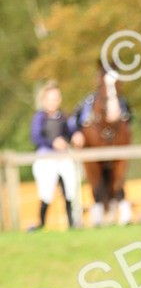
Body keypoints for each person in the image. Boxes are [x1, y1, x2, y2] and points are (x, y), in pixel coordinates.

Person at [29, 82, 85, 229]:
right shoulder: (39, 117)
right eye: (51, 98)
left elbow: (70, 131)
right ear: (45, 100)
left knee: (70, 189)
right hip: (46, 158)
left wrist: (76, 135)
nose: (54, 101)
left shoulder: (63, 117)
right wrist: (52, 143)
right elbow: (36, 137)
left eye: (56, 98)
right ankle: (41, 223)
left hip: (63, 157)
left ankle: (72, 224)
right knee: (47, 192)